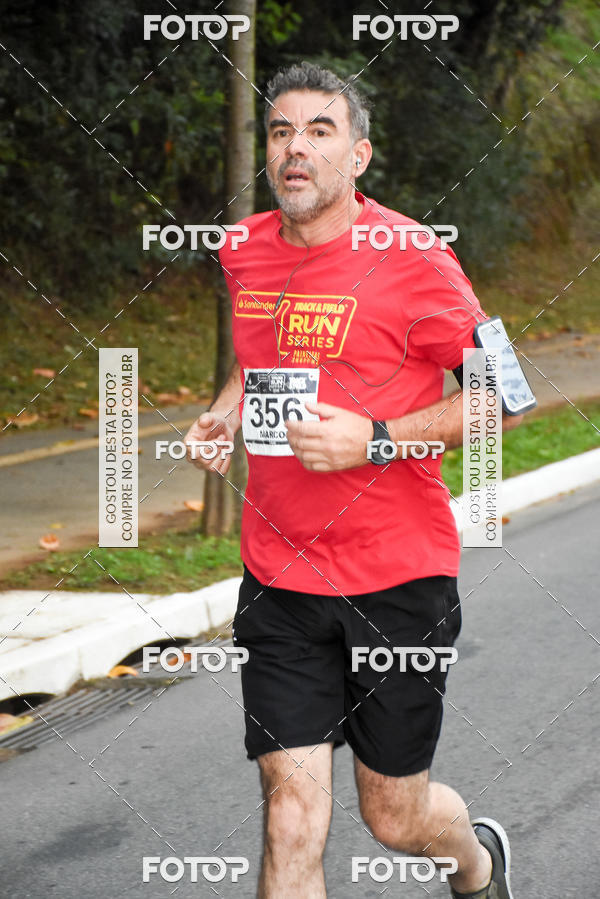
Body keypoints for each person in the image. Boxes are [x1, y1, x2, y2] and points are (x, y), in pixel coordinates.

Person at [185, 61, 520, 899]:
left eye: (320, 131)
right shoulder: (244, 250)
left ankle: (477, 863)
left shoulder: (416, 258)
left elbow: (504, 398)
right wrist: (227, 409)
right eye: (280, 130)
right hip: (279, 574)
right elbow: (258, 355)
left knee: (394, 816)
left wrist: (374, 438)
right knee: (291, 818)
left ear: (359, 156)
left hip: (397, 578)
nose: (296, 149)